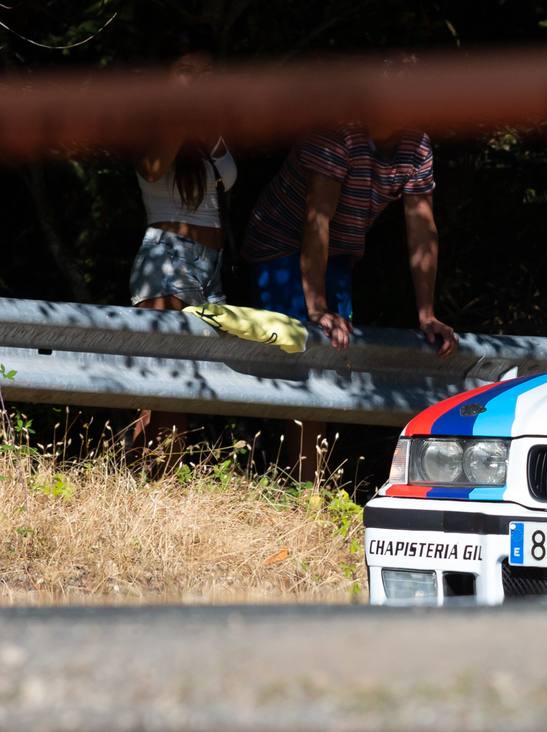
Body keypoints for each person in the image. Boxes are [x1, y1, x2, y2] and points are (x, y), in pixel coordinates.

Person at [242, 59, 458, 476]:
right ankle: (299, 484)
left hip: (340, 251)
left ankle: (306, 482)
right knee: (303, 354)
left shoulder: (418, 146)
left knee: (333, 358)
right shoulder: (338, 132)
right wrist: (317, 306)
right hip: (280, 244)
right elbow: (315, 222)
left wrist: (427, 315)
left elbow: (422, 230)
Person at [127, 43, 235, 448]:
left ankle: (133, 482)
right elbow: (152, 168)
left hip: (211, 266)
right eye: (187, 71)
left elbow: (226, 183)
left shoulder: (211, 127)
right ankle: (156, 488)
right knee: (167, 387)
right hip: (167, 259)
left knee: (181, 387)